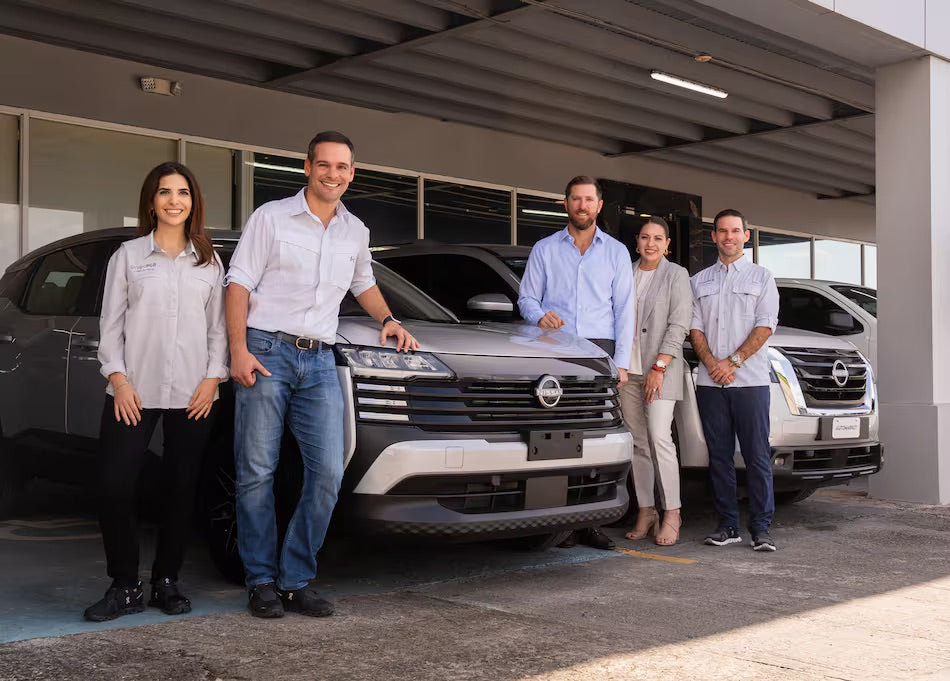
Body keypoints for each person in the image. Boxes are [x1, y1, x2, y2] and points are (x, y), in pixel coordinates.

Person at [225, 131, 418, 619]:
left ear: (352, 173)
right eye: (325, 165)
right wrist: (238, 350)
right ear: (307, 167)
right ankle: (262, 581)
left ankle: (295, 579)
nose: (334, 174)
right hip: (266, 350)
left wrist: (389, 320)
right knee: (256, 472)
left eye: (343, 167)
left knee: (329, 470)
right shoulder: (271, 217)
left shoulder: (355, 230)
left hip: (319, 358)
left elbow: (363, 283)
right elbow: (238, 282)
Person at [85, 162, 227, 622]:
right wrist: (118, 380)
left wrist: (212, 379)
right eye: (164, 192)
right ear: (151, 201)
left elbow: (218, 329)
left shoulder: (208, 260)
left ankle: (167, 580)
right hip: (134, 391)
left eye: (182, 192)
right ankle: (124, 585)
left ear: (193, 201)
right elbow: (112, 324)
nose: (174, 200)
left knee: (181, 488)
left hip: (193, 392)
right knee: (113, 485)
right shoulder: (128, 256)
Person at [518, 175, 635, 551]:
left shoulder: (616, 252)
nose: (582, 206)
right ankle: (562, 523)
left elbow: (625, 312)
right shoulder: (545, 249)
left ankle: (592, 521)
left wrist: (621, 362)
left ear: (599, 206)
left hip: (600, 353)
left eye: (589, 200)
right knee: (558, 440)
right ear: (565, 203)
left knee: (598, 441)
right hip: (556, 351)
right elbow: (526, 299)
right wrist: (539, 317)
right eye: (575, 199)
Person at [689, 209, 779, 552]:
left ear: (746, 235)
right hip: (711, 383)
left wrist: (733, 361)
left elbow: (765, 326)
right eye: (722, 231)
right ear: (713, 237)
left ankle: (761, 528)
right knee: (720, 457)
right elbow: (694, 327)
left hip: (750, 382)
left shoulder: (762, 278)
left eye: (735, 231)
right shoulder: (699, 281)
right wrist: (713, 364)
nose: (728, 236)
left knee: (757, 456)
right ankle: (728, 526)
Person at [619, 217, 692, 546]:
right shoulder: (625, 272)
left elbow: (679, 324)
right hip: (627, 372)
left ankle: (673, 513)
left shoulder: (676, 275)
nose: (651, 243)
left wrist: (660, 366)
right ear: (637, 242)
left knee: (661, 439)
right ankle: (646, 510)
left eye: (658, 238)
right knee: (638, 444)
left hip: (660, 370)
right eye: (645, 237)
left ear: (667, 245)